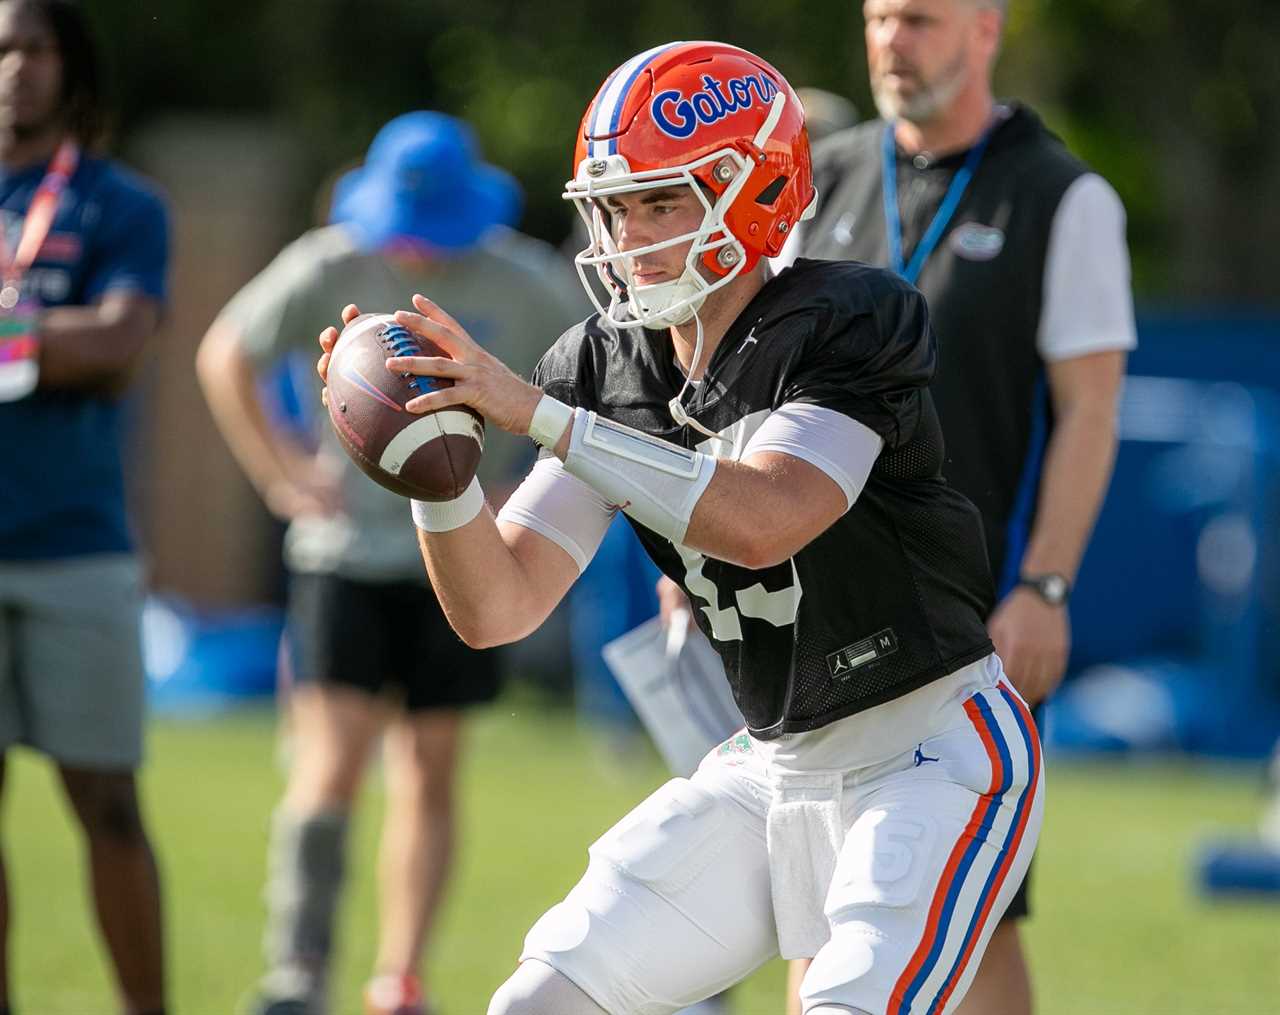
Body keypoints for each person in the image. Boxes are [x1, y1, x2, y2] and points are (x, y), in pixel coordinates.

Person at [318, 41, 1045, 1015]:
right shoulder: (603, 367)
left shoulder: (847, 321)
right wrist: (425, 468)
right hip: (768, 762)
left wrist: (538, 417)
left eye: (659, 201)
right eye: (615, 206)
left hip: (927, 751)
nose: (629, 233)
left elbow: (766, 521)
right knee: (537, 1000)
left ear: (753, 192)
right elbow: (499, 603)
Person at [779, 1, 1137, 1011]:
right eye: (879, 18)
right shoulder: (819, 177)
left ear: (985, 27)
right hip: (813, 610)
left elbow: (1090, 409)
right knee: (814, 904)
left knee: (974, 917)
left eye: (922, 19)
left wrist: (1044, 582)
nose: (893, 42)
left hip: (962, 622)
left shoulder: (1059, 194)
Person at [197, 111, 583, 1015]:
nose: (415, 250)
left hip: (464, 565)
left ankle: (398, 979)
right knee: (329, 761)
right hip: (346, 556)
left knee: (430, 765)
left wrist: (527, 487)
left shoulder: (523, 280)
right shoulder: (330, 262)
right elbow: (226, 352)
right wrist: (282, 471)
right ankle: (298, 970)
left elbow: (590, 389)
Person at [0, 1, 170, 1013]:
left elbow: (116, 346)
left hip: (77, 550)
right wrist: (46, 336)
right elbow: (80, 336)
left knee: (108, 804)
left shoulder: (119, 204)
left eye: (32, 47)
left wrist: (25, 337)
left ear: (72, 63)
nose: (13, 68)